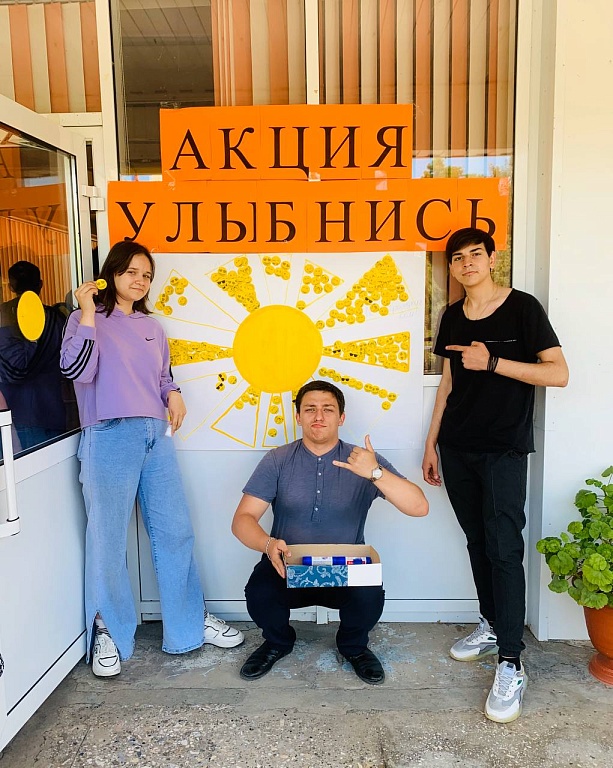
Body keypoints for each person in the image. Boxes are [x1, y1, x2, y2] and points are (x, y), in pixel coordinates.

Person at [60, 241, 244, 678]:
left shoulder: (151, 326)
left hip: (155, 435)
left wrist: (172, 392)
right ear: (111, 273)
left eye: (146, 275)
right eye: (131, 272)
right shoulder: (85, 320)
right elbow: (77, 371)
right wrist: (87, 312)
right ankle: (107, 629)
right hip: (109, 434)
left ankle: (188, 623)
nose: (140, 281)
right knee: (107, 538)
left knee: (174, 530)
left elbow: (161, 376)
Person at [422, 227, 569, 723]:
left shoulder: (523, 308)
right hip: (457, 447)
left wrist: (494, 362)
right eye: (457, 258)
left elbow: (558, 373)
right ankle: (491, 624)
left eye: (475, 254)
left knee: (505, 548)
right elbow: (448, 384)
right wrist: (431, 443)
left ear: (491, 259)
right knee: (477, 541)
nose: (467, 263)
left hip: (504, 449)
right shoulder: (451, 315)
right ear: (451, 267)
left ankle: (511, 661)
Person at [232, 380, 428, 684]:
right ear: (298, 417)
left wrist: (375, 473)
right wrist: (267, 544)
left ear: (342, 417)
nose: (319, 416)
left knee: (370, 596)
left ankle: (353, 647)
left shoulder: (364, 461)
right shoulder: (277, 460)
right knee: (259, 592)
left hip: (346, 567)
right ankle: (277, 642)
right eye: (310, 409)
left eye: (328, 409)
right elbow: (243, 519)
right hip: (288, 564)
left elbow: (419, 507)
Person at [0, 260, 71, 452]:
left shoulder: (5, 315)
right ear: (41, 284)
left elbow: (15, 368)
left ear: (11, 286)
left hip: (19, 412)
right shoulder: (58, 317)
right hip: (55, 408)